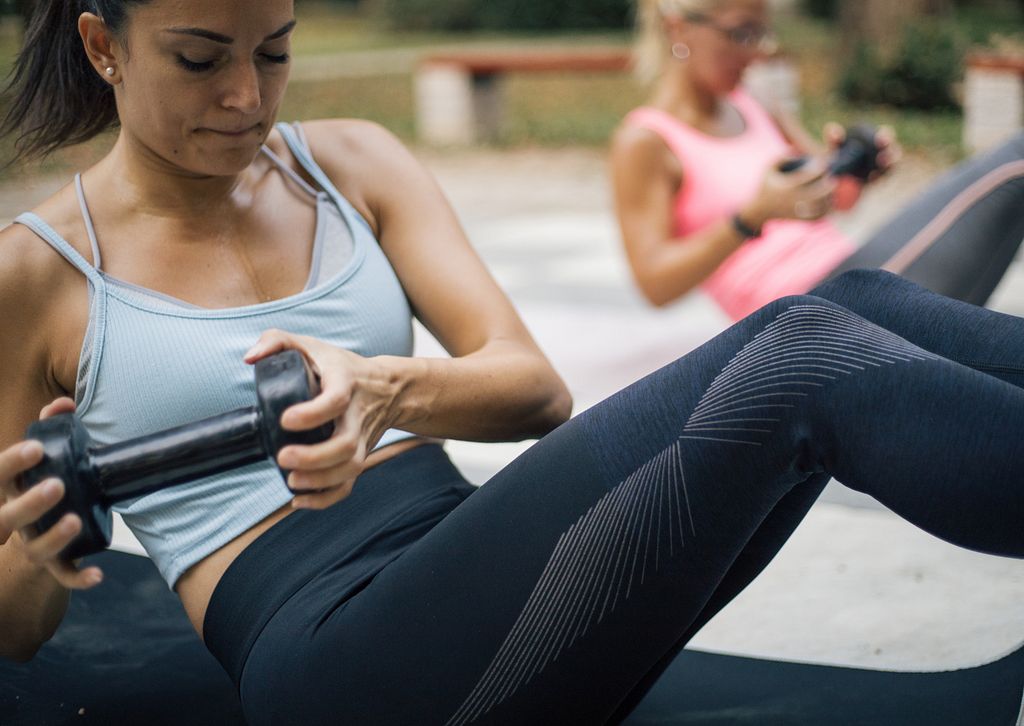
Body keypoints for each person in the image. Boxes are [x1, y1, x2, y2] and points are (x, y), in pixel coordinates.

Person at [0, 2, 1020, 725]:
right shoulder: (35, 273)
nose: (244, 95)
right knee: (798, 359)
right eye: (198, 58)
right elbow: (13, 629)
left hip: (488, 585)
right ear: (104, 46)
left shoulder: (347, 162)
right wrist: (43, 554)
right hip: (330, 656)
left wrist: (388, 387)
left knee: (850, 304)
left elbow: (534, 387)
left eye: (273, 51)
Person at [611, 0, 1024, 320]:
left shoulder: (755, 102)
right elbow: (654, 284)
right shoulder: (645, 140)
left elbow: (832, 197)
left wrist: (857, 168)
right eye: (742, 34)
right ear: (677, 29)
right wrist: (751, 217)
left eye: (762, 34)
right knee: (1017, 159)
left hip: (849, 270)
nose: (755, 53)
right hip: (804, 318)